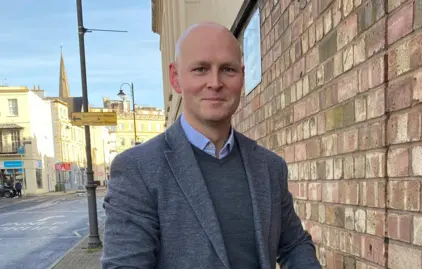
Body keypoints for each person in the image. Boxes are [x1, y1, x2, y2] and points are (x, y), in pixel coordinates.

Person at [101, 22, 321, 269]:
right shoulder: (138, 169)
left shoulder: (270, 167)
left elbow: (293, 244)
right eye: (200, 69)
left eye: (227, 69)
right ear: (175, 78)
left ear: (242, 76)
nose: (215, 83)